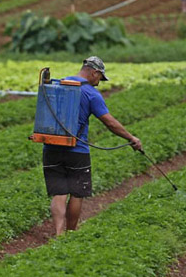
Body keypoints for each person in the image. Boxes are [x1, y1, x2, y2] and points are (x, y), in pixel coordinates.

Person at [43, 56, 142, 236]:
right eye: (100, 78)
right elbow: (109, 122)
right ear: (94, 72)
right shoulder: (90, 93)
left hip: (51, 146)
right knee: (76, 192)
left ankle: (58, 233)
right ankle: (70, 234)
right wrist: (131, 138)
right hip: (77, 150)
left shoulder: (59, 85)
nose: (99, 83)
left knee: (59, 192)